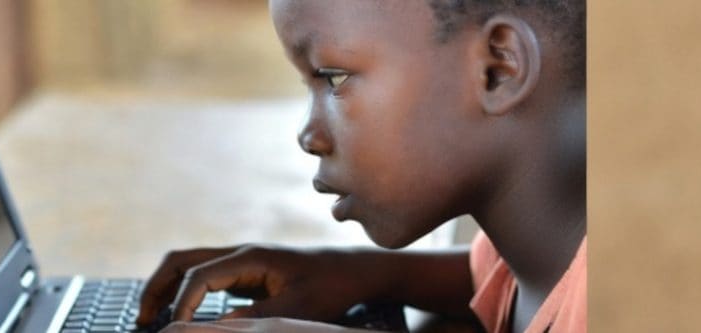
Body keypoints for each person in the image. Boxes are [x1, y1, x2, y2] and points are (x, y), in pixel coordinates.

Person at [135, 0, 586, 332]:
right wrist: (353, 272)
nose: (309, 135)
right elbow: (489, 277)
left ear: (497, 68)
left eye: (334, 77)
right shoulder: (539, 242)